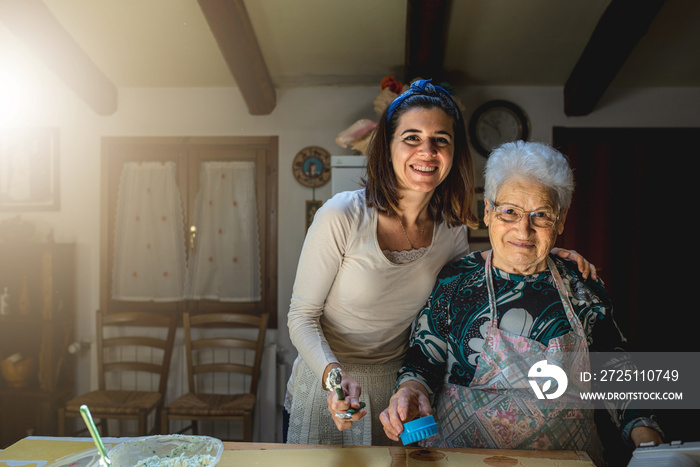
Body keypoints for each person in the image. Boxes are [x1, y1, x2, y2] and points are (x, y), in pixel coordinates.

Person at [285, 81, 596, 446]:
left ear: (454, 153)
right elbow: (301, 316)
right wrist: (335, 378)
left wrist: (542, 248)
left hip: (398, 391)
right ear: (387, 147)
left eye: (441, 140)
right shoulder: (342, 215)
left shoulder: (450, 229)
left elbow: (465, 283)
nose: (427, 151)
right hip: (329, 380)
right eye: (412, 138)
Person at [379, 140, 663, 464]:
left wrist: (647, 439)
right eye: (509, 211)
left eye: (540, 215)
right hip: (461, 459)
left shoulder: (583, 286)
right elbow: (421, 364)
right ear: (488, 211)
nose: (523, 229)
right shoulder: (455, 280)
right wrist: (410, 393)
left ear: (561, 219)